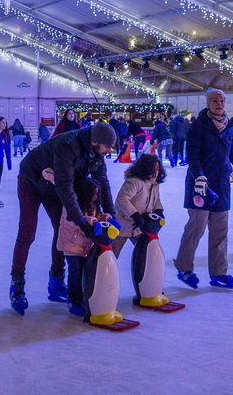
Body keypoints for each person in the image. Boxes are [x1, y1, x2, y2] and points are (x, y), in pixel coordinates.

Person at [9, 122, 117, 315]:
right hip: (31, 182)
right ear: (94, 142)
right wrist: (82, 222)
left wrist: (112, 214)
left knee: (62, 231)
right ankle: (17, 285)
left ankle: (56, 282)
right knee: (27, 233)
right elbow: (65, 186)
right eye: (107, 146)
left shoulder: (97, 155)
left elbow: (103, 182)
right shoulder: (68, 145)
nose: (109, 151)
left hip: (54, 186)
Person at [174, 89, 233, 290]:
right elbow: (192, 156)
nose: (219, 104)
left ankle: (219, 273)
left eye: (222, 100)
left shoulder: (230, 127)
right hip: (200, 185)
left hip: (221, 186)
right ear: (208, 103)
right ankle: (184, 268)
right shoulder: (198, 126)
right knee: (196, 228)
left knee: (220, 231)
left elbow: (232, 158)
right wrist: (200, 177)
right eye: (215, 101)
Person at [56, 176, 102, 316]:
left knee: (83, 272)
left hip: (85, 247)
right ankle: (73, 300)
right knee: (75, 273)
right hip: (71, 245)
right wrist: (87, 220)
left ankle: (81, 297)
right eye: (93, 193)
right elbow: (70, 221)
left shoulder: (92, 205)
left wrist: (103, 217)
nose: (95, 196)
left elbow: (95, 218)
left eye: (97, 193)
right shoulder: (72, 204)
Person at [112, 153, 164, 259]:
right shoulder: (134, 182)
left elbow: (156, 199)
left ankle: (141, 272)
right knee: (112, 253)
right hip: (123, 223)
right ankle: (106, 272)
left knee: (145, 252)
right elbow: (122, 199)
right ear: (144, 169)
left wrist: (159, 211)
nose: (155, 173)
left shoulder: (154, 185)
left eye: (157, 169)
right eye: (152, 169)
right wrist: (135, 215)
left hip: (139, 226)